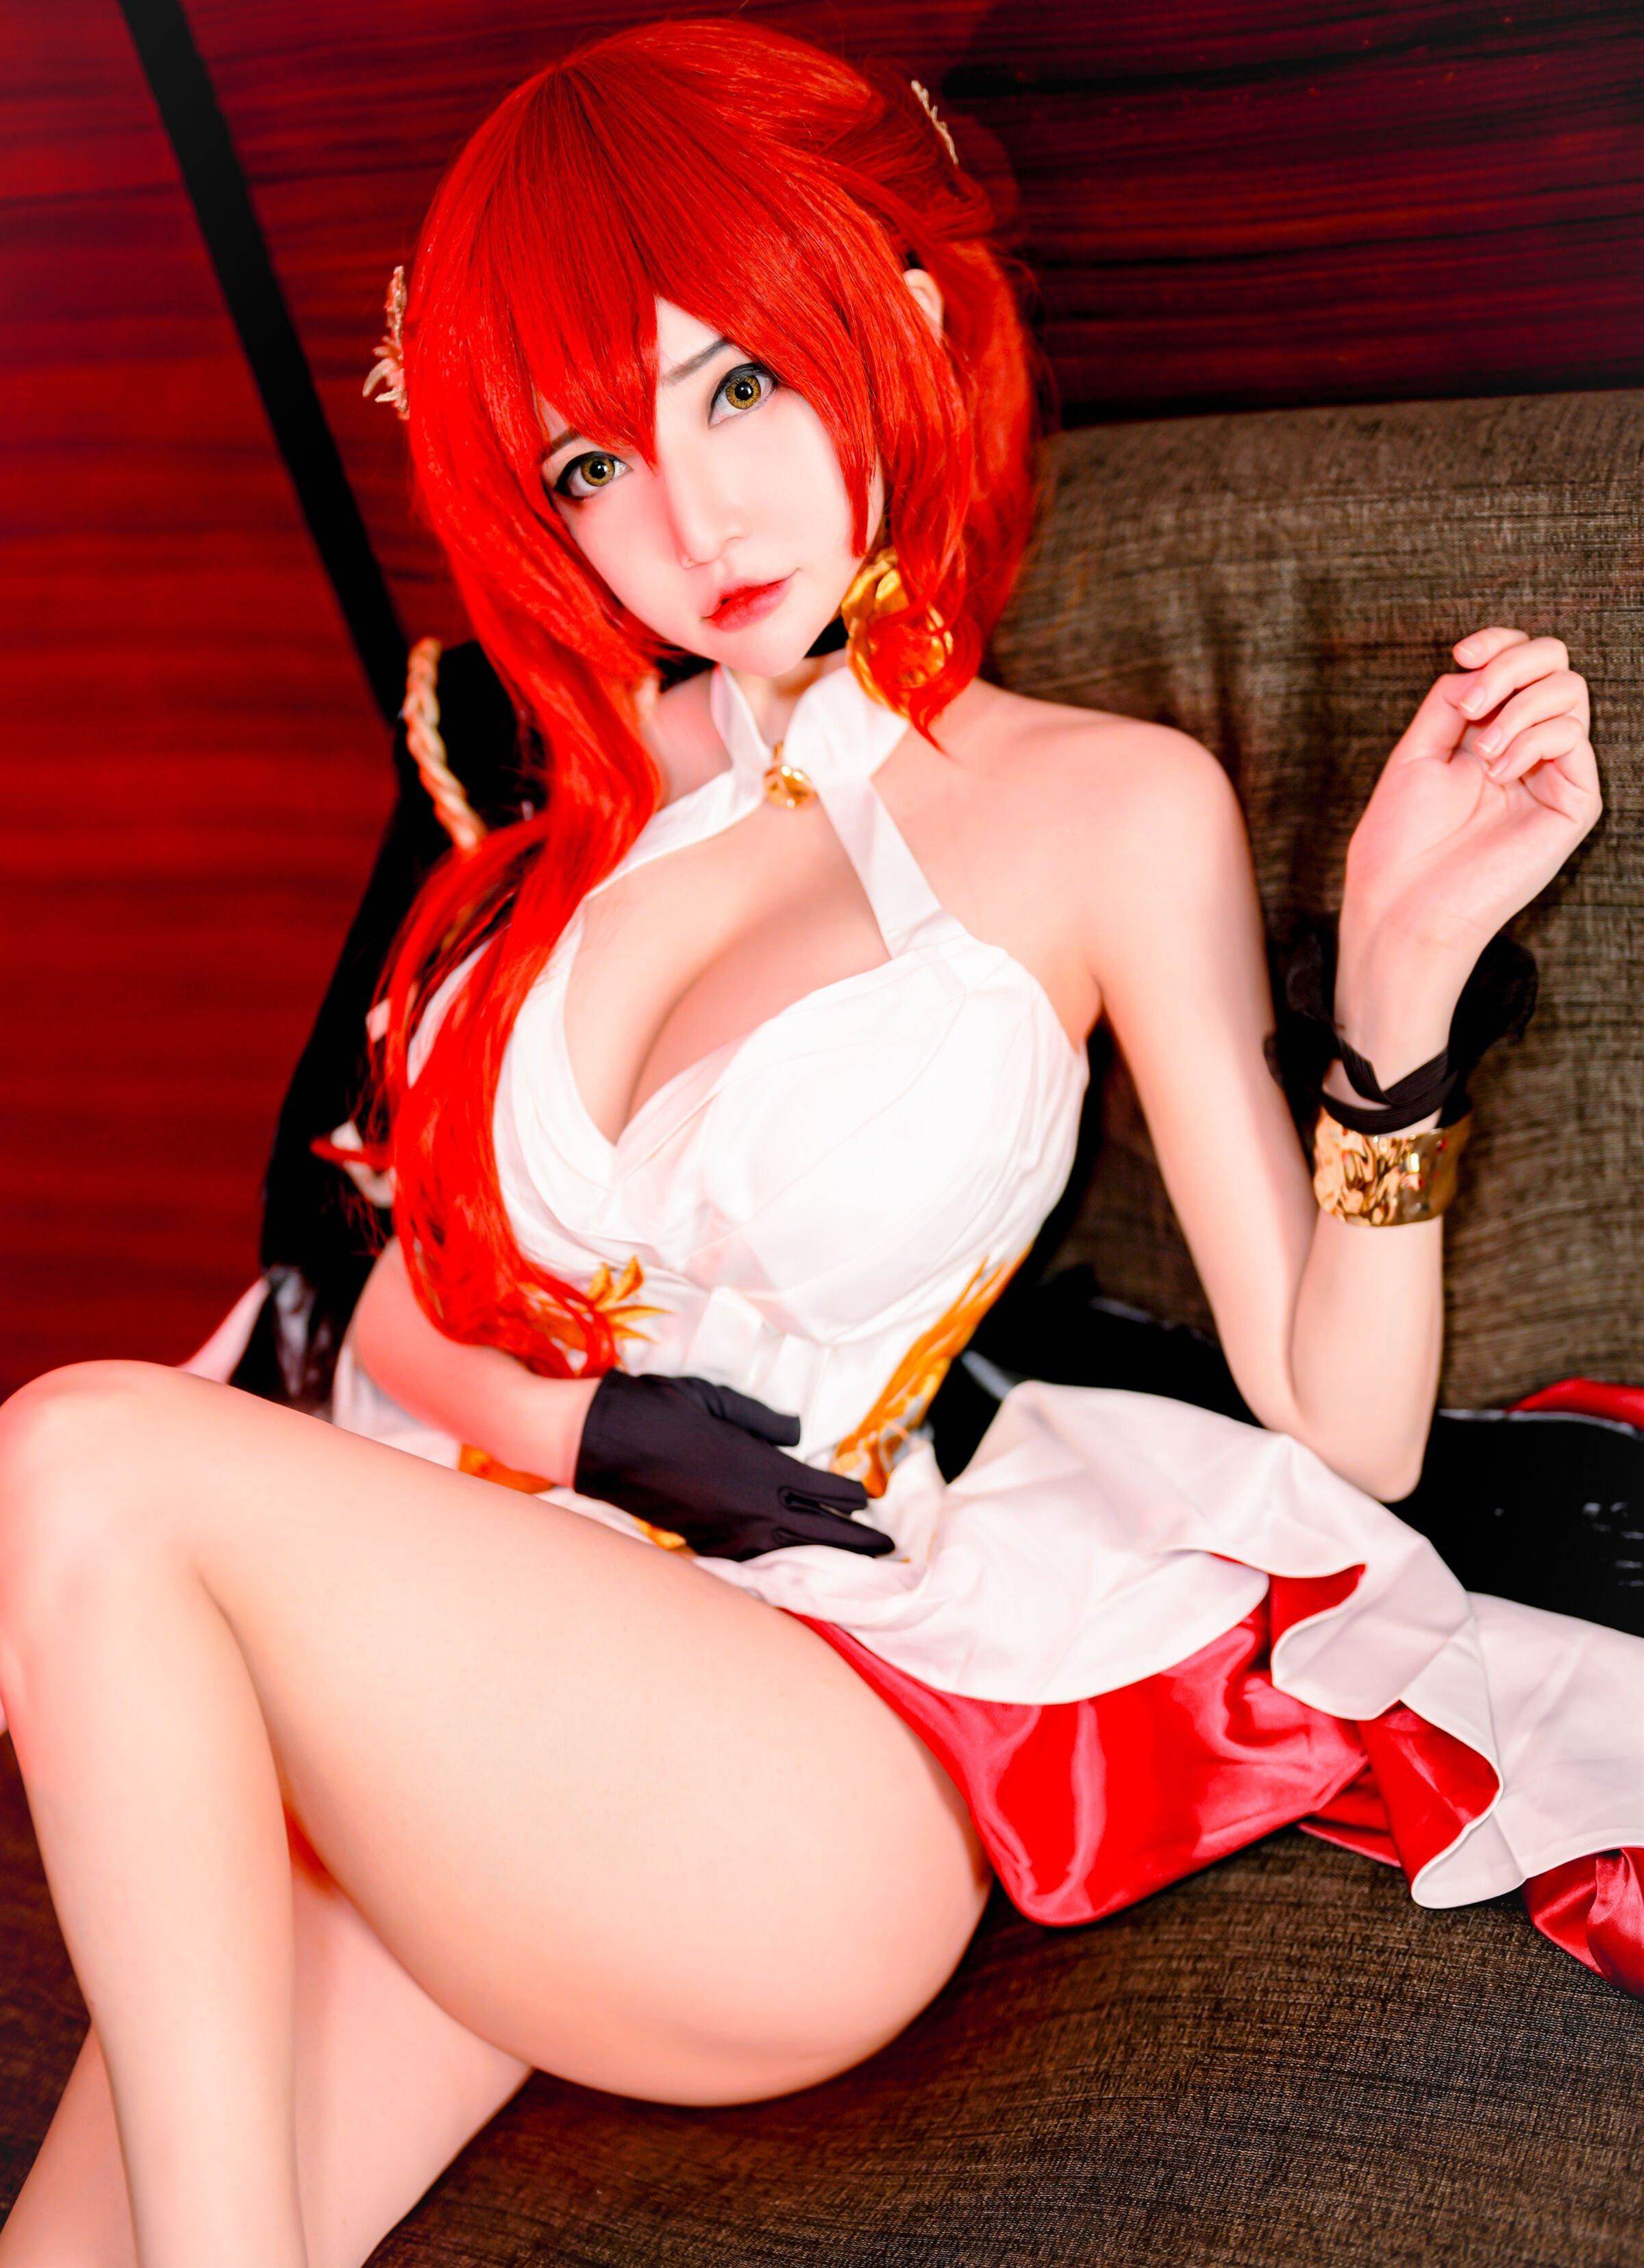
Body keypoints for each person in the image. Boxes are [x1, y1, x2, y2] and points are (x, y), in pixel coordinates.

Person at [0, 19, 1631, 2266]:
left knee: (71, 1452)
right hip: (464, 1694)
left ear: (907, 318)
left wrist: (1398, 1004)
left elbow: (1342, 1430)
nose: (694, 521)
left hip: (786, 1762)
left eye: (740, 384)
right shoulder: (576, 805)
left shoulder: (1100, 808)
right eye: (595, 461)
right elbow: (393, 1303)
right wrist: (593, 1434)